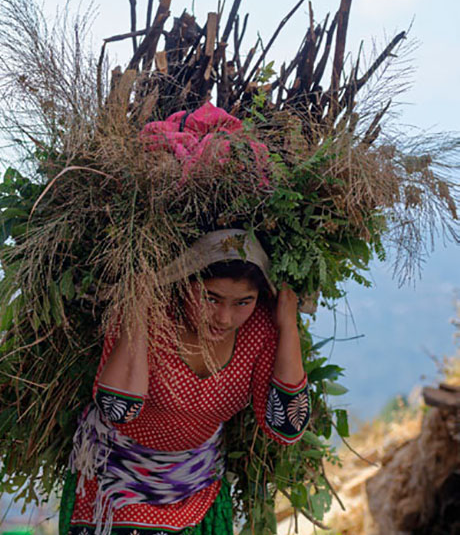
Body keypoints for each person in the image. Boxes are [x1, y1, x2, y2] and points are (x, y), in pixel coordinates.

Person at [61, 229, 310, 535]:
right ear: (183, 284)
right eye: (211, 298)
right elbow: (118, 409)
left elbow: (286, 428)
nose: (224, 318)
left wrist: (288, 326)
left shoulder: (259, 330)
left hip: (197, 484)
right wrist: (138, 307)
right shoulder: (153, 315)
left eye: (243, 302)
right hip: (116, 480)